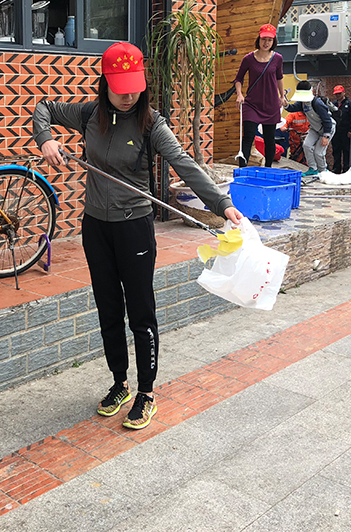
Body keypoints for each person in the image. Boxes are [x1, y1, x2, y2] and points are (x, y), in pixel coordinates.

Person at [32, 42, 243, 430]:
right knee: (108, 309)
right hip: (96, 227)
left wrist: (221, 204)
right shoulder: (90, 114)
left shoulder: (152, 125)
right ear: (105, 83)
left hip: (134, 229)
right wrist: (45, 137)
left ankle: (146, 392)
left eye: (134, 88)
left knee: (141, 313)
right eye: (120, 89)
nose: (128, 96)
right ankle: (120, 384)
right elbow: (43, 107)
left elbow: (186, 164)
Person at [233, 24, 285, 168]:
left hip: (271, 104)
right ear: (259, 39)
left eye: (270, 40)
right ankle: (242, 170)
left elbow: (279, 78)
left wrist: (282, 96)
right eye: (264, 39)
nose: (266, 43)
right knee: (248, 137)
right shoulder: (249, 58)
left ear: (273, 41)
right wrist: (239, 94)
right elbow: (238, 79)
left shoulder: (278, 58)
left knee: (269, 139)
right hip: (252, 104)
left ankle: (268, 169)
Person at [284, 81, 335, 176]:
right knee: (307, 145)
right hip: (315, 128)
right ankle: (313, 168)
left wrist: (326, 136)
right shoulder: (303, 103)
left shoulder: (317, 103)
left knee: (318, 152)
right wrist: (285, 104)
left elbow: (327, 120)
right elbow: (292, 108)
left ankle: (323, 171)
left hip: (327, 128)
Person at [331, 85, 351, 173]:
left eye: (339, 93)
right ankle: (336, 168)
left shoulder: (350, 104)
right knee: (336, 150)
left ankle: (346, 168)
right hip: (336, 131)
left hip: (346, 131)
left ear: (344, 93)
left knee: (346, 151)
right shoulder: (333, 104)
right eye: (336, 94)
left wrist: (350, 130)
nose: (338, 95)